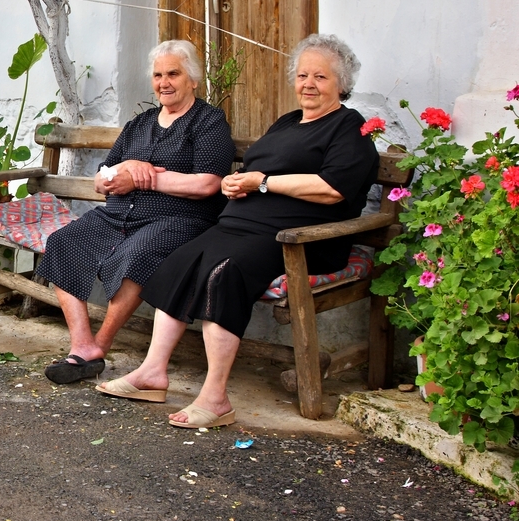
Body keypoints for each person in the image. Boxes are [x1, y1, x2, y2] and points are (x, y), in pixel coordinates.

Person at [99, 34, 380, 427]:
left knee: (223, 273)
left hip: (299, 238)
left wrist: (262, 183)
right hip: (240, 225)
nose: (309, 84)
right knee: (180, 261)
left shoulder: (349, 129)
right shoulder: (287, 122)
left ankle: (215, 399)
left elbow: (332, 190)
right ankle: (151, 373)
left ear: (341, 84)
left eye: (321, 77)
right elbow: (257, 173)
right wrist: (237, 182)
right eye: (302, 75)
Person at [38, 40, 236, 384]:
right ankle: (82, 344)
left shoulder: (208, 121)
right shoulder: (139, 124)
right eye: (158, 75)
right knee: (63, 241)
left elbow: (207, 184)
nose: (164, 82)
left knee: (138, 255)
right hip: (117, 215)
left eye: (173, 73)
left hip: (178, 218)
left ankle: (100, 344)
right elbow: (103, 179)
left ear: (192, 79)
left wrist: (147, 179)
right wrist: (127, 166)